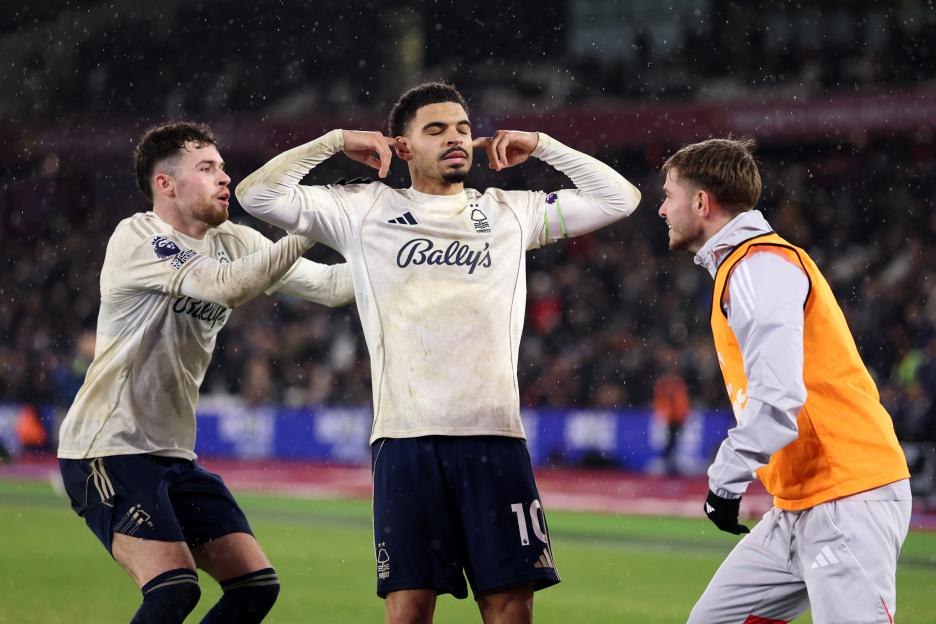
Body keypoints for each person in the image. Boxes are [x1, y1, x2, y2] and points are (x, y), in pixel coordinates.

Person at [236, 82, 642, 623]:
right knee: (408, 610)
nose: (456, 139)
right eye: (436, 130)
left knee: (510, 607)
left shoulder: (509, 213)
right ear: (401, 148)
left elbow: (621, 199)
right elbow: (256, 195)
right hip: (406, 437)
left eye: (463, 129)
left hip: (494, 435)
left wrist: (542, 145)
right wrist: (334, 141)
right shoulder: (362, 209)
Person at [57, 121, 354, 624]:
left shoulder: (232, 239)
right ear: (165, 184)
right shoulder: (138, 237)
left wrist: (402, 262)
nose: (225, 176)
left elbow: (327, 287)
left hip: (173, 454)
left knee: (255, 588)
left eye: (221, 165)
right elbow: (224, 288)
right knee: (173, 589)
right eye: (207, 168)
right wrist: (310, 229)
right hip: (106, 448)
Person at [658, 137, 911, 623]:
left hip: (844, 496)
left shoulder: (756, 267)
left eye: (668, 195)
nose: (662, 209)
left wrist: (725, 480)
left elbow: (779, 397)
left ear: (702, 203)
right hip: (801, 500)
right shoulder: (749, 266)